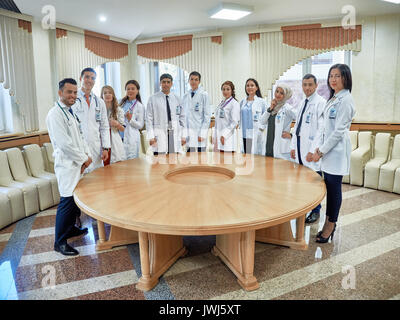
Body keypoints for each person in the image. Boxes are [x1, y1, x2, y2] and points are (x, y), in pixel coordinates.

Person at [46, 78, 92, 256]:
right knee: (67, 201)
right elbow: (64, 144)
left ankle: (71, 228)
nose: (73, 95)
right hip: (67, 165)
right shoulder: (55, 114)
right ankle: (60, 242)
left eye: (75, 92)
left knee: (75, 201)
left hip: (78, 163)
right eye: (69, 92)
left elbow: (80, 137)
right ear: (60, 93)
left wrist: (86, 157)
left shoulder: (70, 112)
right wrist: (83, 159)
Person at [312, 64, 355, 243]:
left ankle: (330, 225)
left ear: (345, 78)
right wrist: (319, 147)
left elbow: (338, 132)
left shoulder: (346, 100)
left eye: (337, 76)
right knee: (329, 188)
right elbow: (325, 128)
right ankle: (328, 223)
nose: (333, 79)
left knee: (334, 191)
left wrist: (321, 150)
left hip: (335, 154)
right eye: (331, 76)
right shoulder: (334, 98)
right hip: (328, 152)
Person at [290, 74, 326, 224]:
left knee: (314, 180)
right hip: (299, 145)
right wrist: (293, 146)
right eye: (304, 85)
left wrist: (313, 150)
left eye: (310, 85)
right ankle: (305, 206)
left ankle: (316, 210)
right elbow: (296, 126)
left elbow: (321, 129)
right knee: (303, 179)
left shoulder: (321, 103)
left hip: (311, 147)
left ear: (316, 85)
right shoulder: (302, 102)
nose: (307, 88)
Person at [72, 67, 110, 172]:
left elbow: (104, 126)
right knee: (82, 182)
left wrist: (105, 148)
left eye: (93, 78)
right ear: (80, 78)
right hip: (79, 148)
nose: (90, 80)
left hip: (96, 148)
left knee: (98, 180)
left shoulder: (99, 101)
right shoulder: (73, 100)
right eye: (87, 77)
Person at [146, 73, 186, 155]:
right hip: (159, 134)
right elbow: (149, 119)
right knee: (159, 162)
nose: (166, 84)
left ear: (171, 84)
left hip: (174, 134)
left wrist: (183, 135)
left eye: (168, 82)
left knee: (174, 161)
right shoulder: (153, 99)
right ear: (160, 83)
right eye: (163, 82)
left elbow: (182, 118)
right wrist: (151, 136)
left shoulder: (177, 99)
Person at [259, 83, 297, 160]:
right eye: (277, 91)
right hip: (268, 146)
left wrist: (291, 134)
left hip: (280, 148)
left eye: (281, 93)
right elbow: (262, 121)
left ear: (286, 96)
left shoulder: (288, 109)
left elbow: (301, 120)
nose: (278, 94)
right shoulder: (271, 107)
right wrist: (270, 109)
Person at [181, 71, 211, 152]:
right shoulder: (185, 96)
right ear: (188, 81)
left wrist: (203, 134)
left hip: (199, 135)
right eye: (191, 79)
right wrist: (183, 135)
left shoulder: (204, 95)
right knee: (189, 161)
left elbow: (207, 117)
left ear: (199, 81)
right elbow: (183, 117)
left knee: (201, 161)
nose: (193, 81)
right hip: (189, 136)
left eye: (196, 80)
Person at [239, 78, 267, 155]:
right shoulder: (242, 101)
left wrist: (261, 128)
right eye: (247, 85)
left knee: (254, 158)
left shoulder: (261, 102)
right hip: (244, 133)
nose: (249, 87)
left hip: (255, 133)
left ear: (256, 88)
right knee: (246, 156)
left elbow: (267, 116)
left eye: (252, 85)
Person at [119, 80, 145, 159]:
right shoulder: (121, 102)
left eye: (133, 89)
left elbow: (140, 125)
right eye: (128, 89)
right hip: (119, 136)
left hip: (131, 137)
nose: (130, 91)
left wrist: (130, 120)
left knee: (130, 162)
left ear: (137, 90)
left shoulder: (139, 106)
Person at [101, 85, 126, 164]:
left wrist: (117, 124)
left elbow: (123, 129)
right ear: (101, 96)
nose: (108, 95)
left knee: (115, 165)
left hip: (114, 140)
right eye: (105, 93)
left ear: (113, 95)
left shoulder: (119, 110)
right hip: (101, 139)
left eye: (110, 93)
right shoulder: (98, 109)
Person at [213, 81, 240, 153]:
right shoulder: (222, 103)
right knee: (218, 161)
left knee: (227, 161)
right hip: (219, 136)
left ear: (232, 91)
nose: (225, 91)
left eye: (228, 89)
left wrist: (224, 135)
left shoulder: (234, 104)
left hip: (227, 137)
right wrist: (214, 136)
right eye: (223, 89)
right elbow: (218, 121)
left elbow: (234, 122)